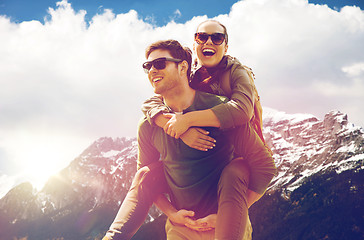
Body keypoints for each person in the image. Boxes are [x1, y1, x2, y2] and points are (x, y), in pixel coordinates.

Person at [103, 40, 274, 240]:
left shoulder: (219, 110)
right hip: (180, 230)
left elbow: (264, 167)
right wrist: (172, 214)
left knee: (236, 169)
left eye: (159, 64)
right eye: (147, 66)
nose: (152, 71)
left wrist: (227, 215)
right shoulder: (148, 125)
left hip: (226, 229)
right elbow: (148, 185)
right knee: (146, 173)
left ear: (183, 66)